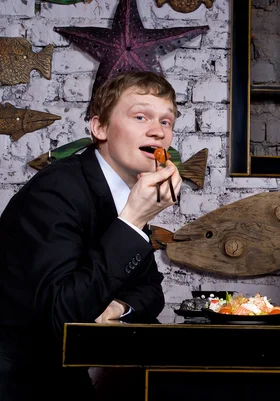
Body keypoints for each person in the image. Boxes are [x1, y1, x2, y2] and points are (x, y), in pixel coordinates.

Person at [0, 71, 182, 401]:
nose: (158, 130)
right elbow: (63, 318)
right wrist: (134, 219)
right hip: (18, 380)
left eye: (166, 122)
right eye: (140, 116)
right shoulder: (55, 191)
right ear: (99, 129)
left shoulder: (122, 193)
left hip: (64, 377)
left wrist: (115, 307)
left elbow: (150, 291)